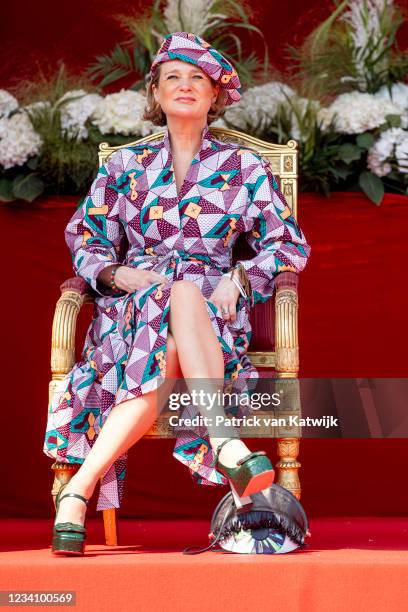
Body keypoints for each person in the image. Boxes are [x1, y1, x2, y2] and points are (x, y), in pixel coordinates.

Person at [44, 31, 311, 556]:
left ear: (215, 96)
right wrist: (117, 276)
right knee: (169, 312)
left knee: (185, 298)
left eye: (198, 79)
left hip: (211, 317)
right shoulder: (123, 169)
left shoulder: (245, 168)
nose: (185, 86)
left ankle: (76, 492)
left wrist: (239, 278)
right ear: (156, 94)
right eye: (173, 77)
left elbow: (289, 244)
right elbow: (85, 237)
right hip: (130, 316)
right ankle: (227, 444)